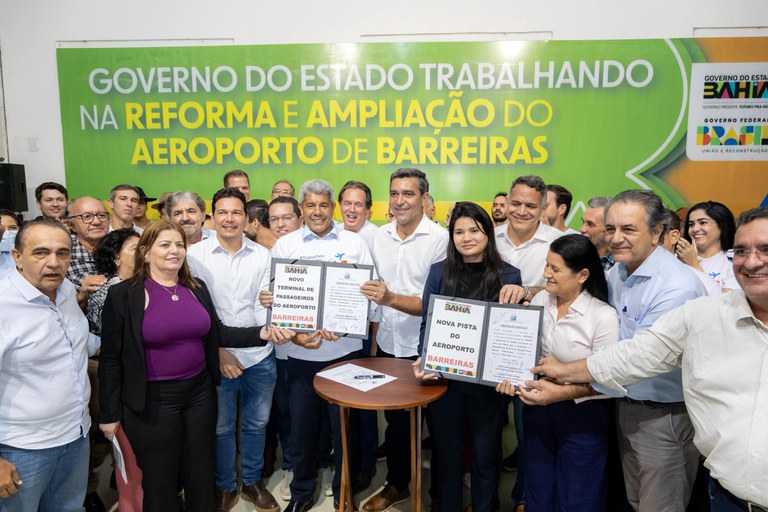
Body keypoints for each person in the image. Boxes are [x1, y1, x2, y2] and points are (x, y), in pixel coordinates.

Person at [524, 205, 768, 512]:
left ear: (656, 233)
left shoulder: (678, 285)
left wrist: (563, 376)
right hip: (714, 478)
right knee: (639, 501)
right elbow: (639, 353)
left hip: (663, 416)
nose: (616, 238)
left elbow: (642, 357)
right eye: (742, 251)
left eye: (628, 229)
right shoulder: (621, 276)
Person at [98, 220, 290, 512]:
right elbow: (111, 357)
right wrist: (109, 413)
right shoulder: (124, 294)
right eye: (165, 245)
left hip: (199, 394)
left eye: (179, 244)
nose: (174, 251)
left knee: (200, 472)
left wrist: (262, 333)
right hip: (152, 400)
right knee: (160, 477)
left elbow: (217, 332)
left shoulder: (195, 288)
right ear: (145, 252)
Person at [261, 179, 376, 512]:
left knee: (344, 431)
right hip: (301, 355)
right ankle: (301, 493)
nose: (317, 211)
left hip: (344, 353)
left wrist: (348, 325)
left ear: (333, 208)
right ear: (301, 209)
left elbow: (369, 293)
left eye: (324, 205)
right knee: (302, 430)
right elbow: (276, 299)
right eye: (310, 205)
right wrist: (295, 335)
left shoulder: (354, 243)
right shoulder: (286, 246)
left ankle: (343, 492)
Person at [413, 202, 522, 512]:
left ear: (488, 233)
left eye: (474, 230)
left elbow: (513, 332)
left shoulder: (509, 274)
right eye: (458, 232)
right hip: (445, 381)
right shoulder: (439, 271)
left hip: (487, 386)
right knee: (447, 456)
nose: (466, 238)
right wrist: (425, 357)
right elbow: (428, 322)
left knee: (485, 455)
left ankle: (485, 506)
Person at [497, 234, 619, 512]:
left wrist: (559, 392)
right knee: (538, 490)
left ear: (582, 275)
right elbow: (524, 353)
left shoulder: (603, 317)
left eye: (555, 269)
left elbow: (607, 380)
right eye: (546, 265)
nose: (546, 274)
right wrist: (510, 379)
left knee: (578, 496)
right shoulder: (542, 299)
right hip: (538, 409)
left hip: (583, 416)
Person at [361, 168, 448, 512]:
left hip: (429, 347)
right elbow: (371, 291)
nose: (399, 201)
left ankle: (441, 494)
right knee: (396, 424)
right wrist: (373, 338)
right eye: (394, 193)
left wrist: (390, 298)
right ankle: (397, 485)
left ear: (424, 198)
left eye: (408, 194)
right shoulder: (378, 236)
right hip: (389, 344)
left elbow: (438, 303)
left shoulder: (440, 239)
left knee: (439, 427)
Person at [187, 189, 279, 512]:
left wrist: (272, 330)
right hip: (217, 357)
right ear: (212, 217)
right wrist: (219, 351)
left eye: (236, 212)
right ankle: (225, 485)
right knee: (222, 427)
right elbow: (198, 312)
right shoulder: (194, 256)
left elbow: (261, 303)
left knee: (257, 424)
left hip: (259, 356)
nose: (229, 219)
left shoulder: (263, 255)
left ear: (247, 218)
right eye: (222, 212)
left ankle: (252, 482)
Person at [0, 218, 99, 511]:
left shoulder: (66, 289)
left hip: (75, 436)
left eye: (62, 253)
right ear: (17, 257)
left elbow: (78, 344)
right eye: (41, 252)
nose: (54, 262)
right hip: (22, 449)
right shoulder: (4, 306)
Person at [494, 174, 563, 510]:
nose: (521, 211)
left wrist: (529, 291)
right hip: (491, 350)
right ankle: (485, 498)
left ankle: (523, 498)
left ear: (544, 207)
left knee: (528, 434)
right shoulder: (489, 238)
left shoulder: (559, 243)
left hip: (536, 353)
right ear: (507, 202)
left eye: (531, 206)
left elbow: (568, 288)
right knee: (487, 431)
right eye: (516, 203)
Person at [86, 229, 139, 336]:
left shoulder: (151, 284)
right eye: (136, 249)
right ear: (116, 256)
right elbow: (116, 333)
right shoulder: (103, 293)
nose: (145, 253)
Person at [678, 201, 738, 291]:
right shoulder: (678, 257)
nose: (695, 229)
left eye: (703, 222)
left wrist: (694, 265)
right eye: (691, 224)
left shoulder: (734, 261)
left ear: (722, 225)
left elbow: (725, 299)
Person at [660, 209, 721, 296]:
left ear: (674, 236)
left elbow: (716, 300)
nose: (649, 240)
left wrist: (693, 264)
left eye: (655, 233)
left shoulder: (700, 280)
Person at [65, 197, 110, 306]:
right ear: (71, 225)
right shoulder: (62, 255)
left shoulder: (121, 248)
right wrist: (82, 295)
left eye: (102, 215)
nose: (96, 221)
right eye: (87, 217)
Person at [338, 180, 378, 246]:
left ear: (367, 209)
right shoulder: (334, 232)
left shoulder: (376, 237)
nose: (352, 209)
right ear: (340, 205)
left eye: (358, 204)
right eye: (347, 203)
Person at [580, 196, 614, 271]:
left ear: (609, 229)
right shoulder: (573, 256)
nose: (582, 229)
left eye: (590, 224)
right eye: (583, 222)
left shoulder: (623, 265)